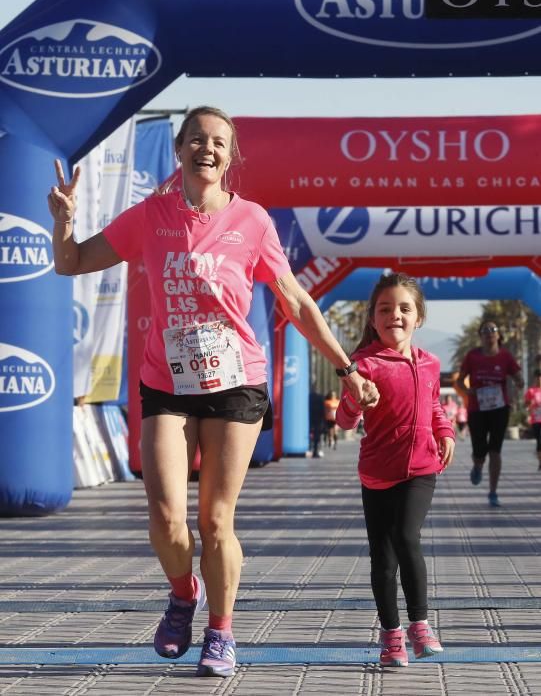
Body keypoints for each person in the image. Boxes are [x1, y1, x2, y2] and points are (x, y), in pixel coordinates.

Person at [47, 106, 380, 679]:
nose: (207, 149)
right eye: (196, 139)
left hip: (236, 382)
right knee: (165, 518)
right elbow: (70, 262)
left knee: (216, 520)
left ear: (231, 156)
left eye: (219, 142)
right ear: (179, 150)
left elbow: (297, 302)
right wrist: (64, 220)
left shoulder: (252, 220)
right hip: (167, 383)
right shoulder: (149, 216)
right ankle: (183, 593)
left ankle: (221, 633)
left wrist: (348, 367)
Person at [336, 272, 455, 668]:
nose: (395, 316)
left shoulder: (431, 364)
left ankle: (420, 625)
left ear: (418, 317)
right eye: (385, 309)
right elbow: (344, 421)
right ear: (373, 319)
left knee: (408, 536)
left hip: (422, 466)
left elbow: (435, 405)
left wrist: (445, 431)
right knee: (382, 559)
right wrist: (357, 400)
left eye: (404, 308)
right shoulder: (363, 365)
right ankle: (391, 636)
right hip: (378, 472)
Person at [456, 320, 524, 508]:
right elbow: (460, 381)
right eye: (485, 330)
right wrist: (467, 391)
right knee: (479, 450)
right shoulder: (472, 356)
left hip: (499, 408)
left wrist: (519, 382)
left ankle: (493, 492)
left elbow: (518, 376)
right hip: (477, 409)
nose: (489, 333)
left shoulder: (505, 356)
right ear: (480, 336)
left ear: (498, 335)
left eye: (493, 329)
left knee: (495, 450)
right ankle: (478, 465)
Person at [524, 369, 541, 470]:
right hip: (536, 420)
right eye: (538, 377)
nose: (539, 379)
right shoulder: (531, 391)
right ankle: (540, 461)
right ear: (535, 378)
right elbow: (526, 404)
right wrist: (530, 404)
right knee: (539, 441)